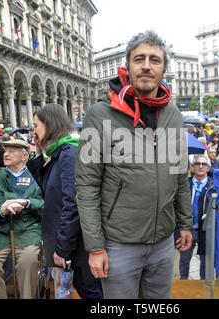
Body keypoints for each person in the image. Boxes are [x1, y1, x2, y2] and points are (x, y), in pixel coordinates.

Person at [75, 30, 193, 299]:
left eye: (155, 60)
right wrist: (95, 247)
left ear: (163, 68)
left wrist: (185, 223)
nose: (147, 66)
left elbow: (179, 174)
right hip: (119, 244)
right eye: (139, 59)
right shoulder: (99, 115)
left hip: (163, 242)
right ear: (127, 66)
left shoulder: (173, 114)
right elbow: (87, 186)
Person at [27, 105, 102, 299]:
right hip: (72, 247)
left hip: (77, 250)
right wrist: (37, 151)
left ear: (49, 125)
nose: (33, 131)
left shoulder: (68, 154)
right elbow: (46, 189)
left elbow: (73, 203)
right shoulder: (58, 153)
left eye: (36, 125)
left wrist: (62, 248)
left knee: (93, 294)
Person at [0, 139, 44, 299]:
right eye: (5, 150)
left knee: (29, 260)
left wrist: (28, 203)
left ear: (25, 156)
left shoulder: (36, 176)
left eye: (12, 151)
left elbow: (48, 206)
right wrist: (0, 211)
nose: (6, 154)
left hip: (28, 231)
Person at [179, 155, 215, 280]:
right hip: (187, 228)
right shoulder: (185, 184)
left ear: (208, 168)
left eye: (203, 164)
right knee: (184, 261)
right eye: (197, 164)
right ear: (193, 167)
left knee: (205, 263)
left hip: (205, 230)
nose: (200, 166)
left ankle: (203, 289)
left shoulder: (214, 186)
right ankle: (183, 286)